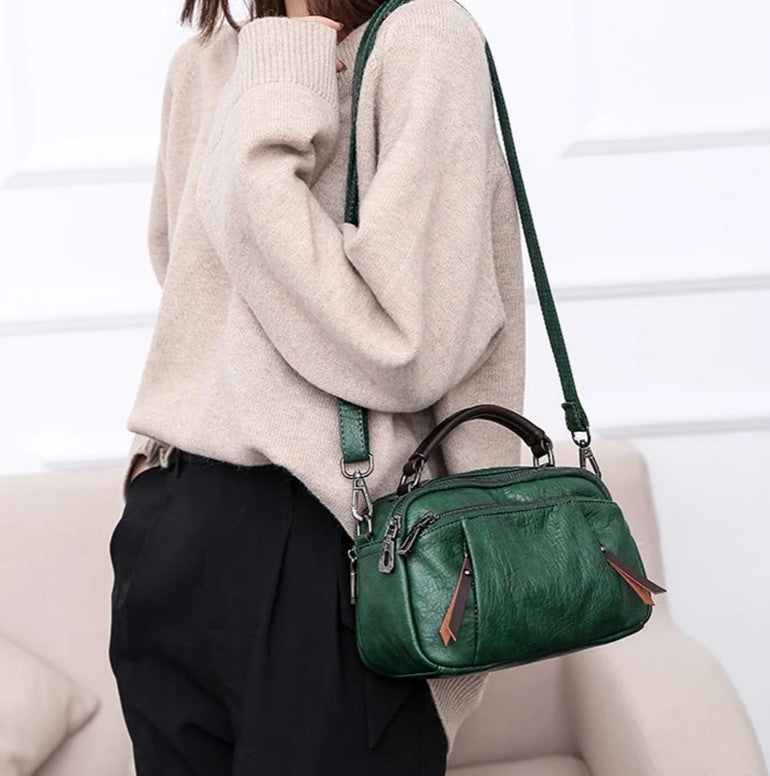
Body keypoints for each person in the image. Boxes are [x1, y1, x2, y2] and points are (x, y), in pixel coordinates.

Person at [107, 0, 526, 772]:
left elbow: (405, 347)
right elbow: (194, 287)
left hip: (336, 537)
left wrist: (274, 115)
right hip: (172, 520)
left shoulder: (420, 40)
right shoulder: (204, 59)